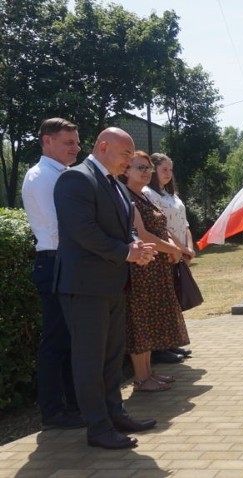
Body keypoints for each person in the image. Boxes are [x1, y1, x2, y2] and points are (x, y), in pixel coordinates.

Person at [54, 127, 158, 449]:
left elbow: (121, 228)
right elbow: (83, 231)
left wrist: (135, 244)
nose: (130, 160)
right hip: (85, 288)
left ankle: (115, 414)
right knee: (90, 360)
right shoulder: (76, 180)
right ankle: (98, 429)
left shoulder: (114, 183)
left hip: (111, 284)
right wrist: (127, 252)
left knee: (111, 357)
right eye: (126, 153)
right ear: (103, 147)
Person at [21, 118, 83, 430]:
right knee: (57, 340)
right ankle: (53, 411)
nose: (76, 148)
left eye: (77, 141)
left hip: (66, 261)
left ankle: (75, 406)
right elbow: (60, 228)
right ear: (47, 141)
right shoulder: (41, 177)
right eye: (68, 142)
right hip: (55, 260)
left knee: (72, 339)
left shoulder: (64, 175)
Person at [122, 151, 190, 392]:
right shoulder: (128, 198)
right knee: (141, 323)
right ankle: (141, 378)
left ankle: (149, 373)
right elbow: (142, 234)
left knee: (150, 322)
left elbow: (162, 227)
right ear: (125, 171)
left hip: (155, 270)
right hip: (142, 271)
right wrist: (172, 249)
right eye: (140, 167)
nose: (146, 171)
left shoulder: (145, 197)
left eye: (148, 167)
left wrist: (176, 249)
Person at [145, 152, 194, 362]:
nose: (168, 173)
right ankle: (160, 347)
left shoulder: (171, 195)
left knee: (172, 299)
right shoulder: (148, 193)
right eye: (164, 169)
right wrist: (180, 248)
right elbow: (161, 227)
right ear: (153, 170)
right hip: (165, 252)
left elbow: (185, 224)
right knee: (162, 300)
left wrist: (189, 247)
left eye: (170, 169)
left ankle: (172, 342)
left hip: (178, 253)